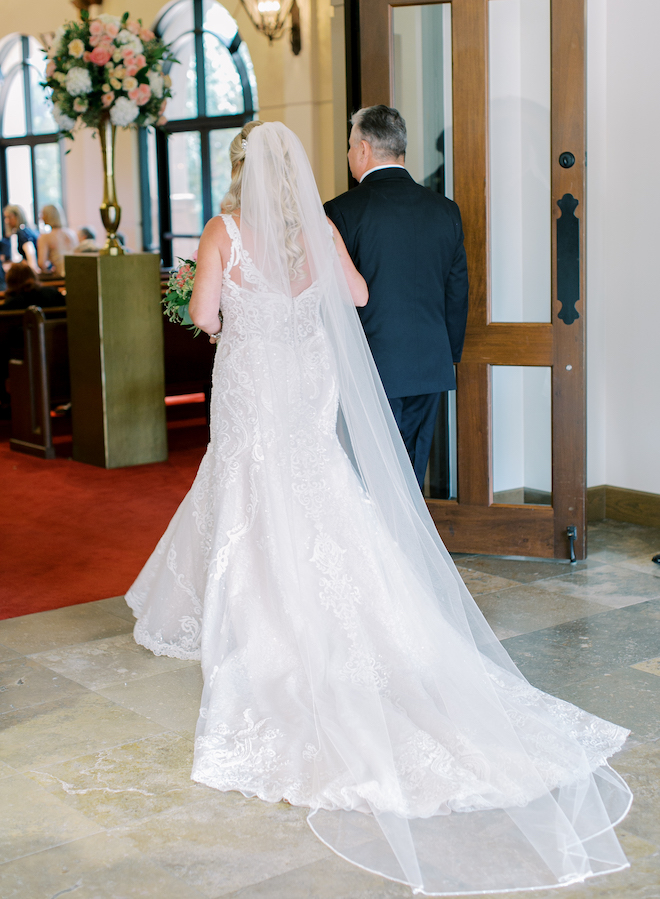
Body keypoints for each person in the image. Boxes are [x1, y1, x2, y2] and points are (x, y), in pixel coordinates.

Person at [126, 121, 631, 896]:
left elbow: (205, 316)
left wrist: (222, 297)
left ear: (240, 173)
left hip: (257, 382)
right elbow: (356, 294)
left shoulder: (225, 229)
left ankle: (259, 612)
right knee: (320, 486)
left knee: (250, 490)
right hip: (306, 377)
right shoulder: (323, 228)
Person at [325, 106, 468, 489]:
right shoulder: (445, 210)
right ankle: (408, 550)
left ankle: (381, 550)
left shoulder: (341, 212)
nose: (351, 154)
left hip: (369, 366)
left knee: (368, 478)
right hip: (430, 365)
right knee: (411, 476)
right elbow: (457, 293)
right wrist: (447, 354)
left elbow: (331, 297)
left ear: (364, 149)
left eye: (351, 145)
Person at [37, 203, 77, 277]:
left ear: (48, 216)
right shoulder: (71, 233)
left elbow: (41, 263)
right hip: (77, 273)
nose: (41, 218)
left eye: (43, 214)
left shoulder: (45, 237)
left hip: (61, 277)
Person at [3, 205, 39, 271]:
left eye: (9, 217)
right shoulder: (28, 229)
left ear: (17, 217)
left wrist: (33, 270)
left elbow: (30, 252)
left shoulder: (22, 232)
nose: (6, 221)